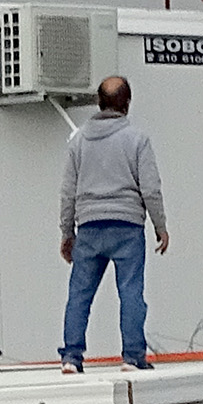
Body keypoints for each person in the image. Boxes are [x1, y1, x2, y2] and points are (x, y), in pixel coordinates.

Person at [57, 74, 168, 372]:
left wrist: (67, 233)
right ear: (127, 104)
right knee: (131, 292)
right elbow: (151, 188)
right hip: (127, 227)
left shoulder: (78, 141)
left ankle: (71, 357)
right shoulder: (137, 140)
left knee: (79, 295)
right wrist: (160, 226)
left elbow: (68, 192)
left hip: (89, 228)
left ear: (98, 103)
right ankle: (132, 357)